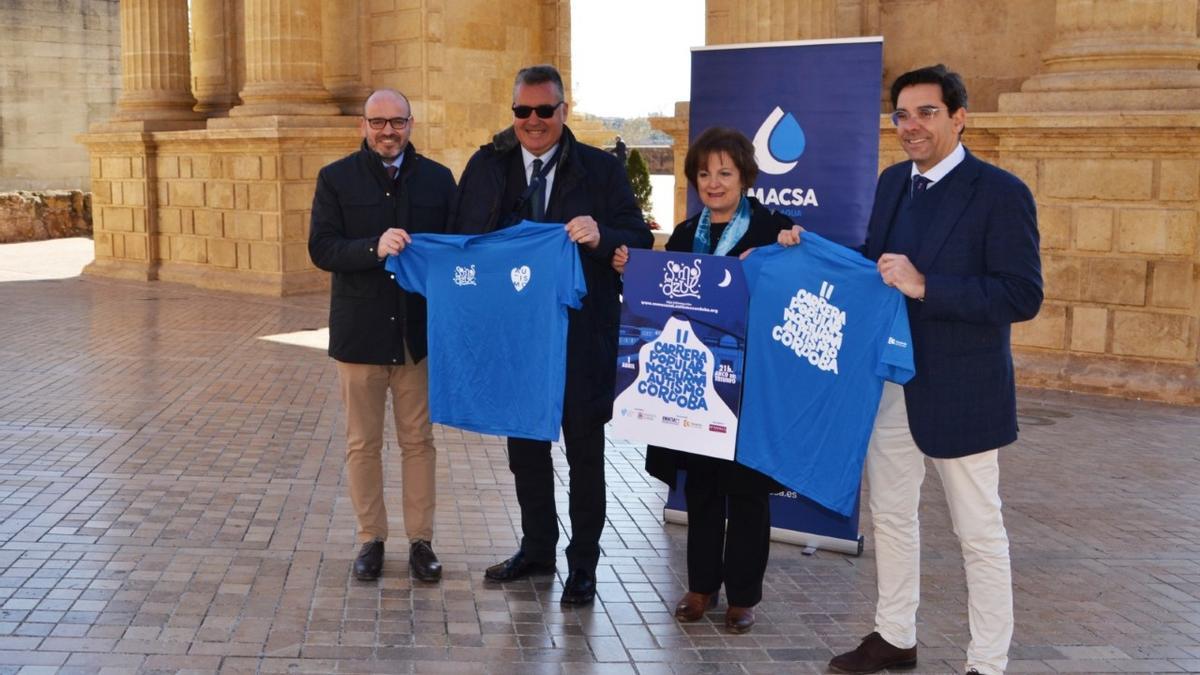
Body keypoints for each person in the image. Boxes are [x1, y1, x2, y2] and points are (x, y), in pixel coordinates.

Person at [780, 65, 1042, 675]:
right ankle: (895, 637)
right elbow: (876, 272)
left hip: (963, 391)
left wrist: (928, 288)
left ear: (958, 116)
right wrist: (809, 249)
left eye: (927, 112)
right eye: (902, 114)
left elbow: (1021, 295)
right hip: (890, 381)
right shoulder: (894, 182)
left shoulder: (1001, 193)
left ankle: (988, 662)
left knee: (978, 532)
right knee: (892, 517)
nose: (912, 126)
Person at [450, 64, 652, 605]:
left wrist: (601, 235)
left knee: (585, 455)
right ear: (512, 112)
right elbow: (460, 242)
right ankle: (537, 548)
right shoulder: (486, 167)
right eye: (523, 111)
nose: (533, 121)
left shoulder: (602, 171)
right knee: (526, 452)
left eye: (545, 110)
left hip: (583, 339)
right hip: (517, 343)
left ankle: (582, 564)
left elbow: (638, 237)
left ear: (564, 111)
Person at [612, 127, 791, 634]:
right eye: (705, 174)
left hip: (753, 385)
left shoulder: (776, 231)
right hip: (696, 387)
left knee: (749, 491)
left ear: (745, 177)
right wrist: (634, 269)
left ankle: (744, 596)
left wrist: (790, 253)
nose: (714, 183)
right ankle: (701, 586)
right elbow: (662, 299)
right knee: (704, 488)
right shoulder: (687, 233)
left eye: (725, 173)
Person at [308, 89, 456, 584]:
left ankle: (421, 542)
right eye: (378, 122)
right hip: (360, 337)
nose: (387, 131)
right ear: (363, 126)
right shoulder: (335, 179)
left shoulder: (438, 180)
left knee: (419, 442)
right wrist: (374, 247)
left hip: (418, 338)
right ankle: (370, 539)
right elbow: (323, 248)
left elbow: (456, 253)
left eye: (396, 122)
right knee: (362, 444)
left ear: (411, 123)